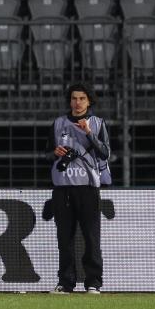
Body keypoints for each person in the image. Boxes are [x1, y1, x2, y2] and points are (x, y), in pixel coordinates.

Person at [45, 83, 111, 295]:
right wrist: (55, 152)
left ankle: (93, 283)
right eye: (74, 98)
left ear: (89, 101)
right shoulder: (58, 123)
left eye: (82, 98)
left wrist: (89, 133)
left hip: (88, 188)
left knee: (92, 238)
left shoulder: (98, 123)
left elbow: (105, 153)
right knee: (64, 240)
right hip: (63, 189)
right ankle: (66, 282)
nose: (78, 102)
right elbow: (46, 154)